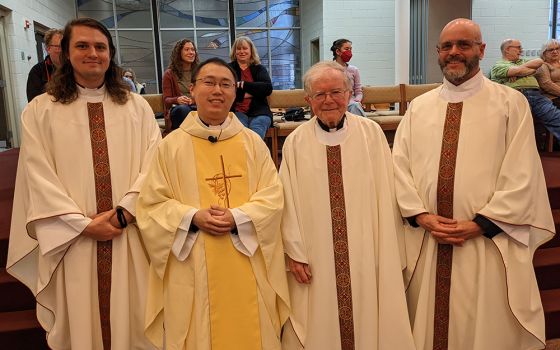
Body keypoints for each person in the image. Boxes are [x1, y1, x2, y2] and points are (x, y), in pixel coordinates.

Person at [393, 18, 555, 350]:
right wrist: (421, 215)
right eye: (447, 46)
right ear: (438, 53)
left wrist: (479, 224)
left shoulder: (510, 104)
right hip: (428, 239)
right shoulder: (419, 108)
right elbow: (399, 168)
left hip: (485, 242)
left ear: (480, 50)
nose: (454, 52)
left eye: (463, 45)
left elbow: (522, 172)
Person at [7, 17, 161, 350]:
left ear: (111, 54)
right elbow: (37, 174)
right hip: (72, 240)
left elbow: (154, 166)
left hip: (129, 235)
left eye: (100, 47)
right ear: (64, 53)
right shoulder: (40, 111)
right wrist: (82, 225)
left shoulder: (137, 108)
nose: (93, 53)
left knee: (135, 318)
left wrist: (123, 214)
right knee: (81, 323)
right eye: (82, 45)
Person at [136, 57, 289, 350]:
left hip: (247, 261)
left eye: (226, 84)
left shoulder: (252, 143)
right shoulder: (170, 145)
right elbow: (151, 205)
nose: (217, 90)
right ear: (192, 90)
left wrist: (238, 217)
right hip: (192, 264)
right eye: (209, 82)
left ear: (235, 93)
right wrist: (192, 217)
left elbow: (273, 197)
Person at [280, 60, 415, 350]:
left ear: (350, 92)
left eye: (336, 92)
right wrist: (294, 252)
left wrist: (387, 251)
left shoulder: (371, 134)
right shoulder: (294, 143)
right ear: (308, 100)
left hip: (367, 251)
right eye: (319, 94)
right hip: (316, 258)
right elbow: (286, 204)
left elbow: (386, 197)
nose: (328, 100)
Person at [490, 38, 560, 141]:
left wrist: (518, 71)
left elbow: (539, 61)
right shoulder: (498, 66)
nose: (521, 50)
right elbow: (540, 77)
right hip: (516, 95)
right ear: (507, 49)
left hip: (537, 96)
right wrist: (525, 70)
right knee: (519, 127)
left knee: (556, 118)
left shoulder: (523, 61)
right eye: (518, 47)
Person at [229, 36, 273, 139]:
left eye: (245, 48)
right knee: (241, 133)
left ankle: (256, 155)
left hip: (260, 112)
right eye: (238, 49)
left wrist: (243, 84)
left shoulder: (259, 68)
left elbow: (267, 88)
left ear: (251, 50)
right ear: (235, 52)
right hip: (237, 111)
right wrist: (255, 92)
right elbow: (227, 90)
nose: (242, 51)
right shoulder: (229, 69)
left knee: (256, 133)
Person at [163, 39, 199, 131]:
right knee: (184, 110)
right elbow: (166, 100)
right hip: (179, 109)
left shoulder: (200, 71)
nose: (191, 52)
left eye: (192, 49)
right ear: (179, 53)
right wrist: (177, 99)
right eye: (187, 49)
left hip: (197, 106)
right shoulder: (169, 74)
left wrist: (194, 100)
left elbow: (206, 94)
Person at [331, 39, 368, 117]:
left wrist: (357, 100)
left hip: (351, 103)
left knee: (355, 106)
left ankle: (361, 127)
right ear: (338, 52)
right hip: (335, 102)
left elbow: (358, 91)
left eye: (350, 49)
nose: (349, 52)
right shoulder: (329, 69)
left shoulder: (354, 70)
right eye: (347, 49)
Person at [26, 28, 63, 102]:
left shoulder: (75, 68)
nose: (62, 50)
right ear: (48, 49)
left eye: (65, 46)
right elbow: (34, 103)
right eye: (59, 47)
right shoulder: (37, 71)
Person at [535, 39, 560, 105]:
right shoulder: (542, 65)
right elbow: (546, 84)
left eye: (557, 48)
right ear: (544, 53)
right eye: (551, 50)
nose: (555, 51)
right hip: (554, 98)